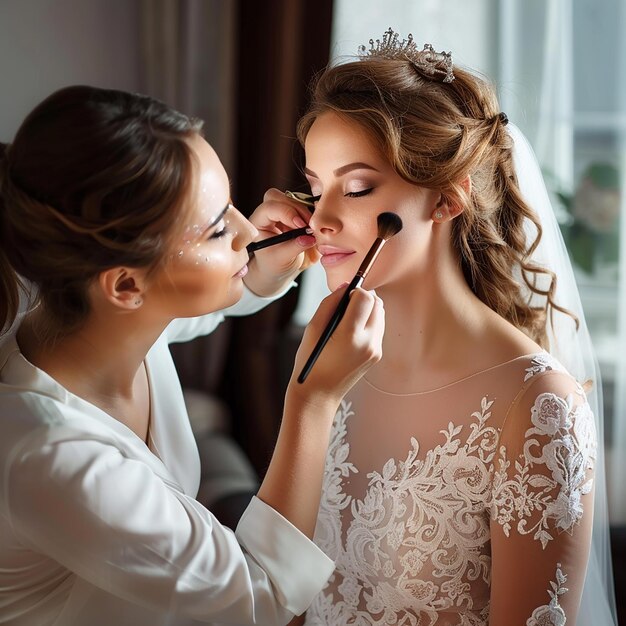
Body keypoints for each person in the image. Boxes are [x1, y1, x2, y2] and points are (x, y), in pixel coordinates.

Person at [264, 29, 617, 626]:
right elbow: (285, 590)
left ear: (448, 201)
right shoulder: (334, 367)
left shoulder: (537, 407)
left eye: (355, 188)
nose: (320, 219)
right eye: (316, 188)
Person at [0, 85, 386, 625]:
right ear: (126, 284)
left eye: (232, 206)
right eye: (218, 227)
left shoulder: (88, 325)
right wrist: (314, 400)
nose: (250, 229)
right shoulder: (54, 459)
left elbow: (191, 308)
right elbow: (260, 599)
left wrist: (261, 271)